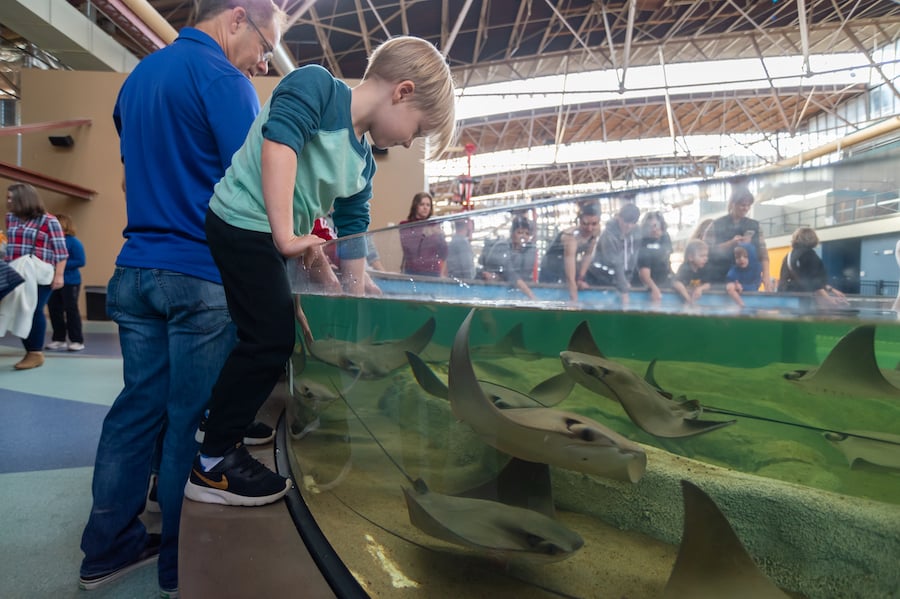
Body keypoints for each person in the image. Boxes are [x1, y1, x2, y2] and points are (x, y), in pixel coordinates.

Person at [186, 35, 456, 507]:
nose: (410, 140)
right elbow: (280, 147)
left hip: (266, 234)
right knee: (269, 337)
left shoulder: (364, 164)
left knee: (263, 330)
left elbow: (353, 227)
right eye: (418, 128)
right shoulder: (316, 86)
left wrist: (355, 290)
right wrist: (288, 240)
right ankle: (212, 465)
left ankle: (222, 418)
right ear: (403, 91)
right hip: (239, 218)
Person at [79, 2, 284, 596]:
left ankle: (106, 549)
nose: (264, 61)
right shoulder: (227, 83)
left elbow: (128, 176)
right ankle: (177, 567)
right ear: (237, 18)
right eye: (265, 46)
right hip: (199, 274)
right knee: (187, 423)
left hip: (135, 267)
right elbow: (255, 195)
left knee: (135, 409)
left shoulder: (139, 79)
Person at [3, 182, 68, 370]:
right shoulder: (11, 218)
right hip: (14, 271)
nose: (7, 201)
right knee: (18, 310)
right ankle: (29, 351)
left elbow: (61, 252)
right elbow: (12, 244)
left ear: (24, 199)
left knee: (33, 310)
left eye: (10, 197)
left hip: (39, 275)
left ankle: (35, 353)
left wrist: (59, 276)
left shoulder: (49, 221)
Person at [703, 184, 771, 290]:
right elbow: (705, 251)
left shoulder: (755, 226)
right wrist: (730, 244)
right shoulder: (716, 225)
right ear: (733, 204)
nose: (746, 209)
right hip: (720, 278)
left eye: (748, 205)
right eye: (743, 205)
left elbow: (763, 253)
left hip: (747, 280)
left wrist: (766, 276)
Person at [539, 202, 601, 301]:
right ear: (579, 222)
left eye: (594, 224)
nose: (590, 228)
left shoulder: (595, 232)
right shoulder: (570, 238)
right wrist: (574, 298)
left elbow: (587, 255)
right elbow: (569, 271)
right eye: (585, 224)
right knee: (550, 297)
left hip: (566, 265)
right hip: (550, 267)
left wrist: (580, 278)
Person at [581, 203, 641, 303]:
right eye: (626, 222)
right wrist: (624, 289)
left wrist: (627, 280)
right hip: (599, 278)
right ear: (619, 218)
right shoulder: (609, 235)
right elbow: (616, 263)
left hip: (619, 279)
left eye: (633, 223)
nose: (629, 226)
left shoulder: (636, 232)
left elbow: (633, 258)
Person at [777, 226, 847, 307]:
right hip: (803, 301)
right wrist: (830, 300)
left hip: (786, 300)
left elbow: (807, 279)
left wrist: (832, 290)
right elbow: (815, 284)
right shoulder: (810, 255)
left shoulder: (789, 256)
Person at [45, 214, 86, 351]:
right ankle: (59, 339)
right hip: (53, 281)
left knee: (71, 309)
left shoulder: (73, 242)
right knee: (54, 309)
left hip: (70, 281)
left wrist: (60, 265)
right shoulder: (50, 241)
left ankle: (77, 340)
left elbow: (81, 261)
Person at [480, 215, 537, 300]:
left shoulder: (527, 250)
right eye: (520, 232)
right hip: (486, 290)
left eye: (527, 234)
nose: (523, 236)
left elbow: (523, 276)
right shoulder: (501, 246)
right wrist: (531, 296)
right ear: (512, 233)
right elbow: (511, 274)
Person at [399, 191, 448, 276]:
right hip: (411, 271)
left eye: (428, 205)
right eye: (422, 204)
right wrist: (423, 232)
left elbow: (444, 253)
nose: (425, 207)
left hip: (432, 272)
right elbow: (409, 248)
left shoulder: (435, 225)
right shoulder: (405, 225)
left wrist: (441, 236)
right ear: (415, 206)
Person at [632, 210, 672, 303]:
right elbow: (644, 274)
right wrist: (654, 289)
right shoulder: (642, 244)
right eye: (649, 227)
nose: (653, 229)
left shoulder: (665, 239)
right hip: (643, 288)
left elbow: (667, 261)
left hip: (663, 283)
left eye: (655, 226)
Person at [672, 238, 712, 306]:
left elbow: (708, 284)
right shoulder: (685, 268)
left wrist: (700, 289)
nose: (705, 258)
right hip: (684, 298)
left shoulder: (703, 268)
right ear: (690, 257)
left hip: (695, 298)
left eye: (706, 255)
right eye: (702, 256)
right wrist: (688, 299)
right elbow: (676, 283)